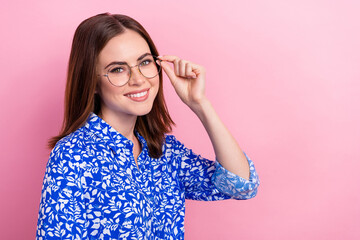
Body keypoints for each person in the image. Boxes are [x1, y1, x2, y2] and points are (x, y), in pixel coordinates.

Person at [36, 13, 260, 240]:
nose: (138, 79)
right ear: (92, 82)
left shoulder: (165, 152)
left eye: (144, 62)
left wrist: (200, 104)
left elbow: (241, 186)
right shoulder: (73, 154)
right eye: (117, 69)